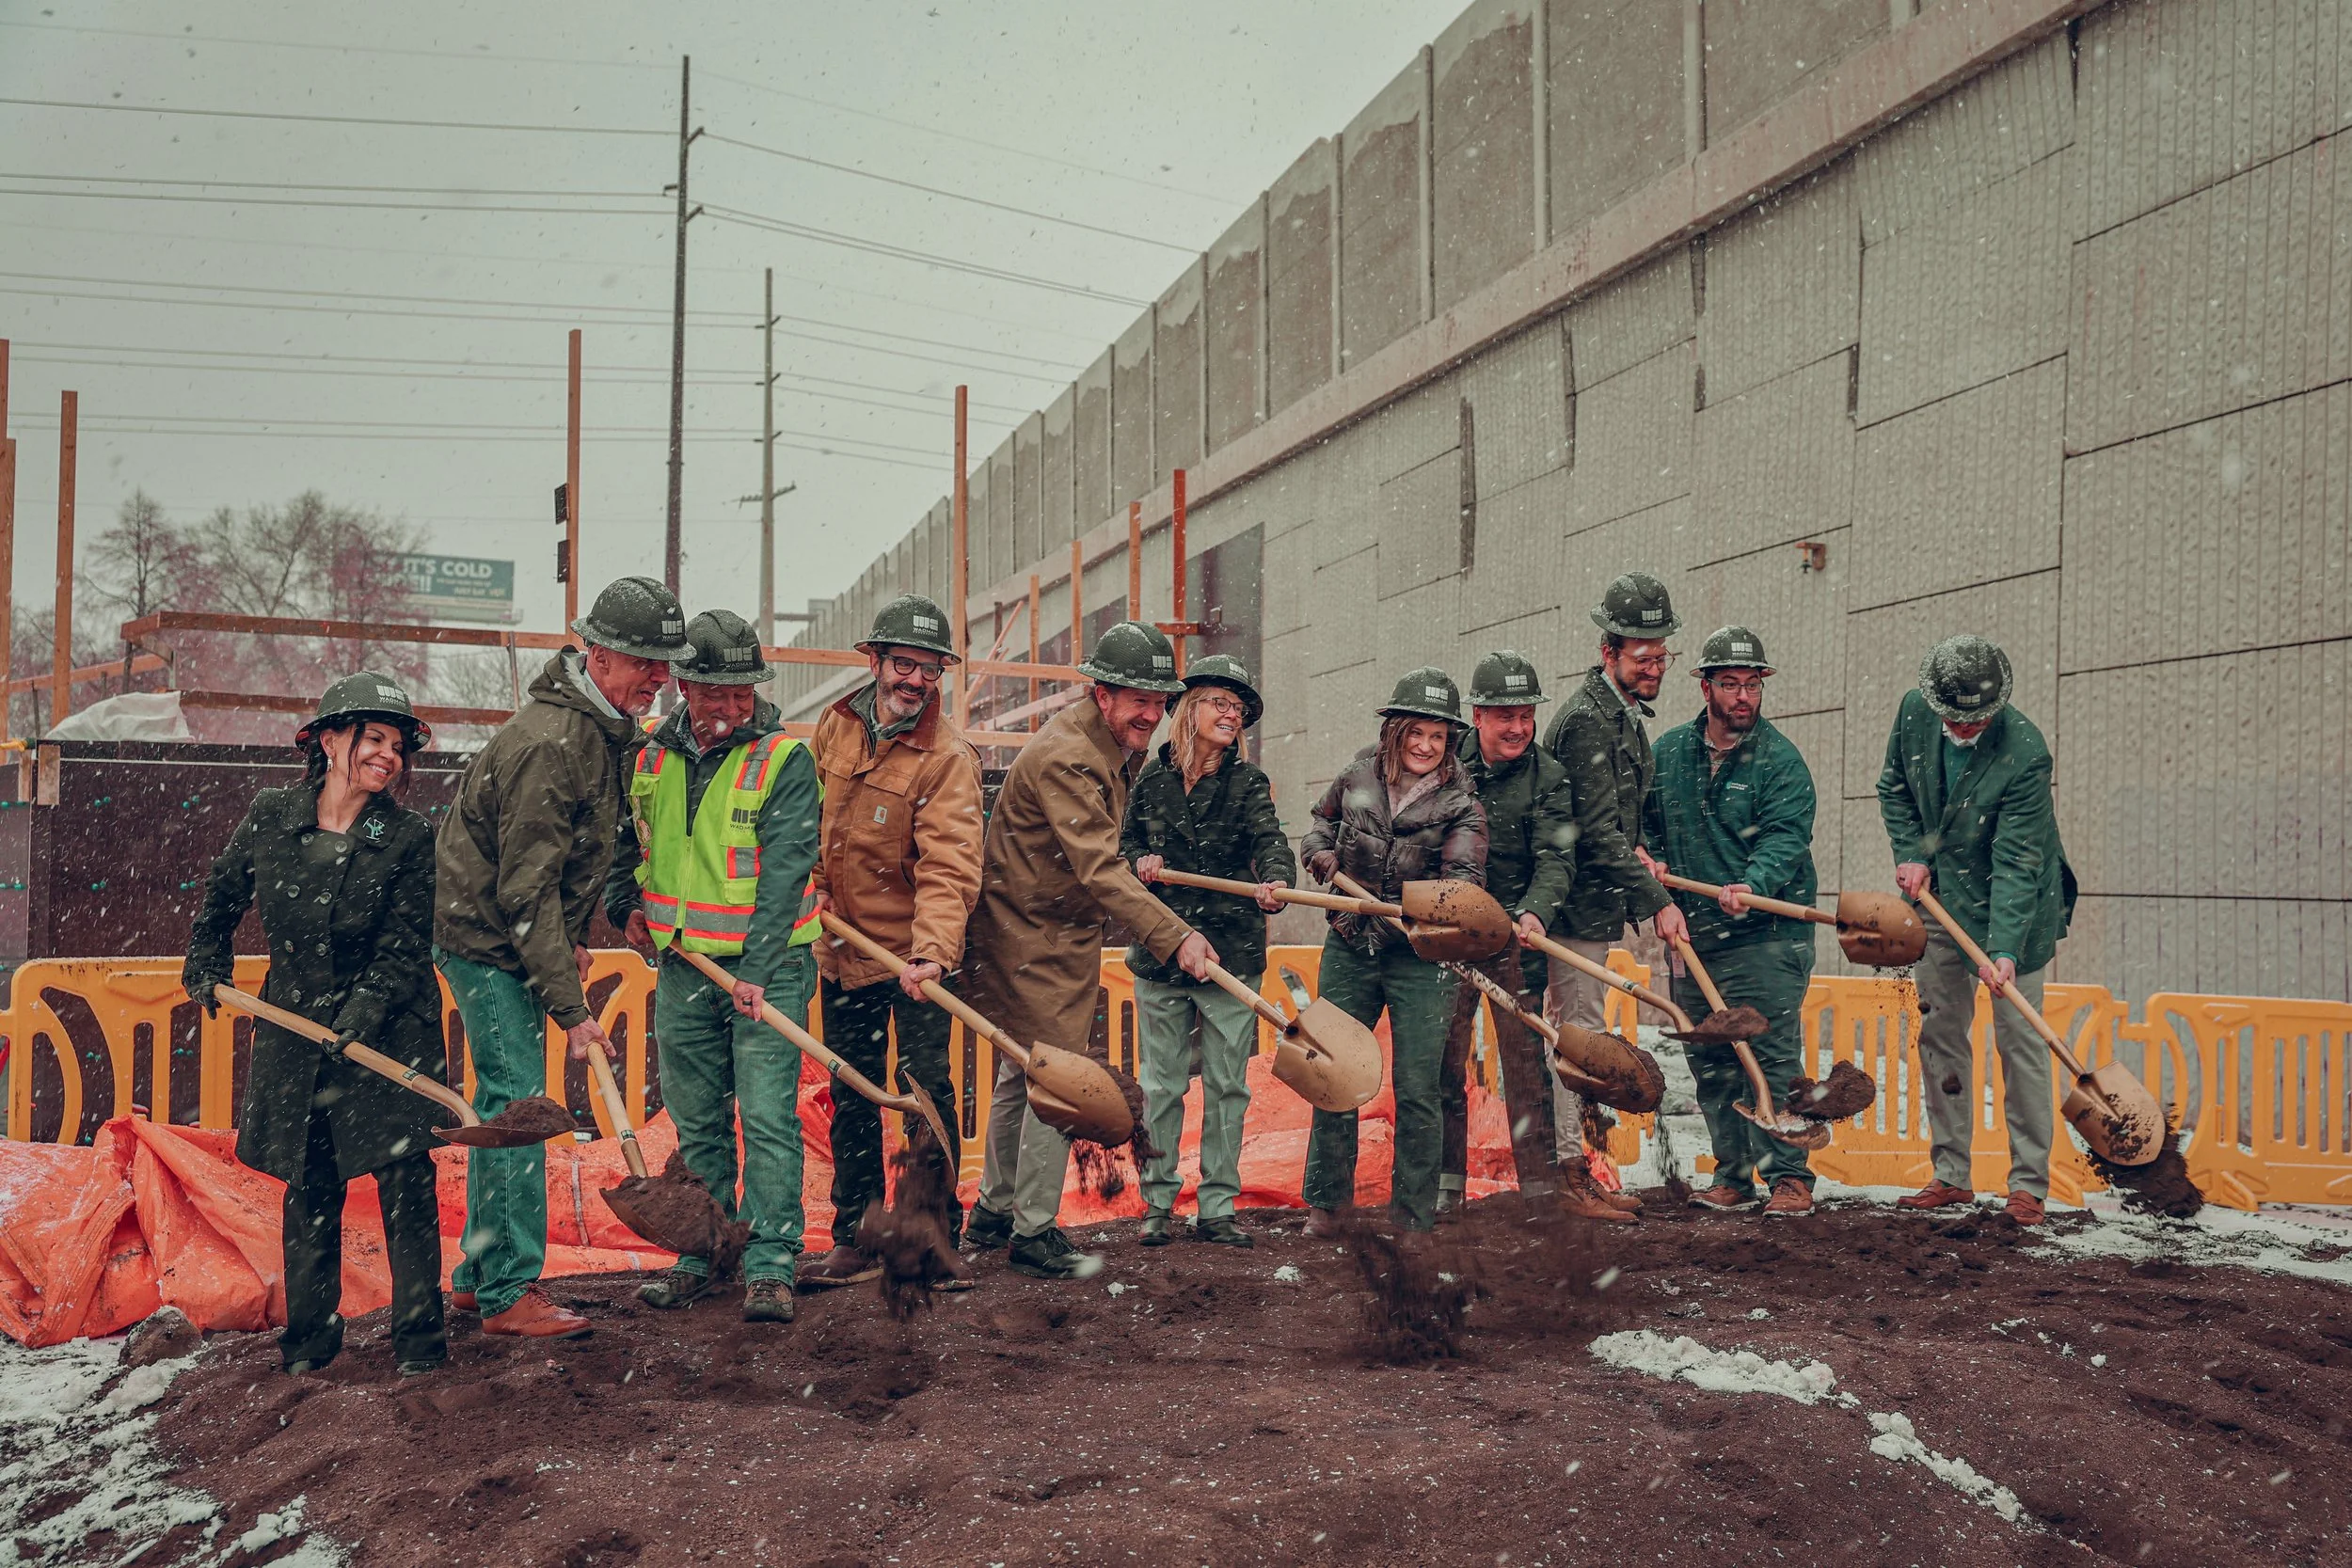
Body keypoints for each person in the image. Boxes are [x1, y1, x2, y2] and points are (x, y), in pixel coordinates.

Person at [435, 575, 691, 1338]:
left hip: (503, 935)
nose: (660, 679)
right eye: (648, 663)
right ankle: (511, 1288)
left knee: (502, 1107)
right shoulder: (554, 743)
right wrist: (572, 1010)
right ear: (601, 655)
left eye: (665, 665)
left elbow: (577, 857)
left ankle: (480, 1278)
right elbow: (524, 891)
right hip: (488, 942)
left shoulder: (599, 729)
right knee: (520, 1107)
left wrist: (578, 933)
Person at [183, 673, 445, 1375]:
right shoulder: (273, 816)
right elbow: (222, 893)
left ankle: (420, 1344)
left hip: (389, 1029)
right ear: (329, 740)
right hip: (298, 1028)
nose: (388, 755)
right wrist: (207, 956)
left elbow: (403, 947)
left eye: (398, 745)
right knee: (311, 1184)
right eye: (374, 739)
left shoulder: (410, 837)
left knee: (404, 1182)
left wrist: (358, 1015)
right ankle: (309, 1345)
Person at [961, 621, 1216, 1280]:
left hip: (1049, 925)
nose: (1153, 714)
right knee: (1061, 1080)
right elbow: (1101, 869)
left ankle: (993, 1211)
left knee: (1026, 1069)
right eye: (1140, 699)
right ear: (1102, 694)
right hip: (1031, 930)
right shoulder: (1072, 755)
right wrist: (1177, 935)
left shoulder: (1106, 743)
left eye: (1162, 702)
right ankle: (1033, 1231)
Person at [603, 610, 822, 1322]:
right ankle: (705, 1251)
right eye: (716, 692)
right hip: (684, 967)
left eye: (743, 692)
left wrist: (757, 967)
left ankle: (769, 1259)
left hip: (770, 969)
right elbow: (627, 848)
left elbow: (786, 872)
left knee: (764, 1117)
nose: (732, 706)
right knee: (696, 1120)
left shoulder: (785, 759)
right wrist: (623, 908)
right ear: (686, 687)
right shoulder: (646, 758)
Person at [797, 594, 983, 1291]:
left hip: (915, 960)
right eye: (904, 664)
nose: (915, 680)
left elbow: (951, 862)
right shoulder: (836, 727)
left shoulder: (947, 757)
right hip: (845, 952)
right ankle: (856, 1235)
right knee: (851, 1091)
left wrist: (932, 951)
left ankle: (934, 1238)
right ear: (873, 661)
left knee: (928, 1093)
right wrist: (814, 887)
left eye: (930, 670)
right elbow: (818, 822)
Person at [1879, 634, 2076, 1227]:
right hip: (1940, 902)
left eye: (1977, 723)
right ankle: (1951, 1175)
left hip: (2017, 908)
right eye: (1955, 722)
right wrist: (1914, 853)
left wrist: (2004, 950)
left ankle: (2028, 1186)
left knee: (2020, 1044)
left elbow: (2020, 860)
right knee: (1941, 1034)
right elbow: (1894, 787)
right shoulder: (1915, 713)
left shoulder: (2025, 752)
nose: (1965, 732)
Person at [1435, 652, 1630, 1221]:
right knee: (1445, 1062)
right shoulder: (1447, 766)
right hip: (1450, 932)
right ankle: (1446, 1188)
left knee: (1526, 1061)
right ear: (1477, 717)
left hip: (1514, 940)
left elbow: (1556, 858)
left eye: (1525, 715)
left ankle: (1542, 1193)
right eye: (1504, 716)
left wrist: (1536, 913)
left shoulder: (1549, 777)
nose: (1517, 727)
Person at [1299, 667, 1487, 1236]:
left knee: (1418, 1087)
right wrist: (1321, 858)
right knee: (1332, 1070)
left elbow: (1462, 886)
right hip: (1350, 942)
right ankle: (1328, 1204)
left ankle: (1412, 1216)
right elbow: (1317, 827)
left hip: (1421, 958)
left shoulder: (1463, 804)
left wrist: (1398, 901)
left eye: (1439, 736)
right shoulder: (1358, 774)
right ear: (1395, 731)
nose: (1427, 746)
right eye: (1417, 733)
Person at [1645, 626, 1821, 1218]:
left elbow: (1786, 837)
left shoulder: (1780, 761)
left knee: (1767, 1056)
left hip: (1767, 936)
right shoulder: (1669, 754)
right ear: (1705, 688)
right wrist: (1651, 860)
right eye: (1730, 685)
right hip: (1695, 934)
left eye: (1752, 685)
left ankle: (1790, 1178)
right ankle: (1734, 1176)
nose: (1743, 697)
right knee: (1713, 1059)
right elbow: (1644, 825)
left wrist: (1755, 883)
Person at [1122, 654, 1295, 1248]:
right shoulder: (1151, 778)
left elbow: (1271, 838)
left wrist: (1275, 879)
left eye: (1238, 708)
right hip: (1163, 956)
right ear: (1189, 709)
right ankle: (1158, 1202)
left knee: (1228, 1085)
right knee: (1162, 1086)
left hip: (1230, 956)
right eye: (1220, 703)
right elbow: (1122, 848)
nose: (1231, 715)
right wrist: (1139, 860)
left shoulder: (1248, 783)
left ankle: (1218, 1204)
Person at [1541, 573, 1691, 1195]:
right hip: (1572, 908)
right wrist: (1658, 901)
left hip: (1595, 904)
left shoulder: (1623, 714)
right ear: (1610, 653)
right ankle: (1573, 1169)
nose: (1656, 667)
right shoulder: (1588, 721)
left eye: (1663, 655)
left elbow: (1615, 822)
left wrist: (1641, 852)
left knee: (1585, 1034)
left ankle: (1582, 1165)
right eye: (1643, 656)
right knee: (1577, 1039)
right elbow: (1593, 831)